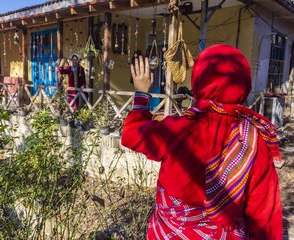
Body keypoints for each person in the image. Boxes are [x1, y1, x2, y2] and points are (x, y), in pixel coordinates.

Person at [121, 44, 283, 239]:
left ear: (198, 81)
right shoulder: (255, 139)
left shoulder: (179, 129)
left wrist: (141, 94)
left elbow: (131, 134)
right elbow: (265, 214)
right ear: (245, 83)